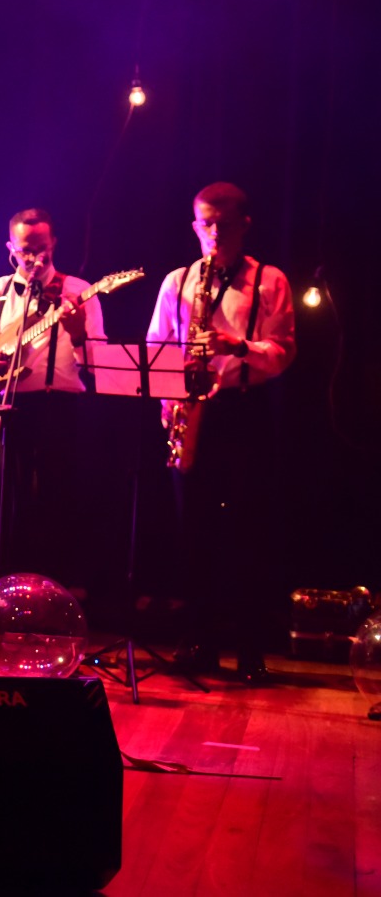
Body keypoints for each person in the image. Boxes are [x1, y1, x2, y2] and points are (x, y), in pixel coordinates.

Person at [146, 182, 295, 683]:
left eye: (222, 225)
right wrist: (169, 401)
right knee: (194, 533)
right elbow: (156, 348)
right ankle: (198, 641)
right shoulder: (178, 280)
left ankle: (250, 648)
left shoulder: (270, 280)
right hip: (192, 412)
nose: (212, 234)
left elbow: (284, 352)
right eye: (204, 224)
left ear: (244, 225)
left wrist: (239, 347)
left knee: (249, 533)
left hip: (243, 411)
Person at [0, 208, 105, 587]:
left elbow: (100, 365)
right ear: (10, 248)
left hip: (56, 409)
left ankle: (49, 591)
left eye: (42, 249)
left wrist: (80, 334)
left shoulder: (79, 292)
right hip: (6, 408)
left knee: (52, 502)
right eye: (25, 250)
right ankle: (2, 586)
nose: (35, 258)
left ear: (54, 244)